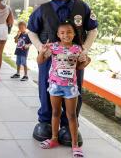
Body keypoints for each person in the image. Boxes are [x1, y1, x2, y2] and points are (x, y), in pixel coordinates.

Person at [28, 0, 98, 146]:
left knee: (74, 90)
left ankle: (70, 125)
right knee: (46, 88)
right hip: (50, 60)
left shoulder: (82, 7)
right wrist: (41, 48)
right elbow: (31, 30)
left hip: (73, 61)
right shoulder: (43, 10)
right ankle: (46, 122)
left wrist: (84, 50)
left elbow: (93, 29)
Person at [37, 22, 90, 157]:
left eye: (69, 32)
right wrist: (42, 52)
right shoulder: (53, 47)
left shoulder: (77, 49)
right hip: (55, 85)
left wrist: (87, 61)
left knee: (71, 115)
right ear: (58, 35)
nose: (66, 35)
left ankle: (75, 145)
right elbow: (40, 61)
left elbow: (78, 67)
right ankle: (54, 139)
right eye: (62, 33)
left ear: (73, 34)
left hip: (70, 87)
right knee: (55, 112)